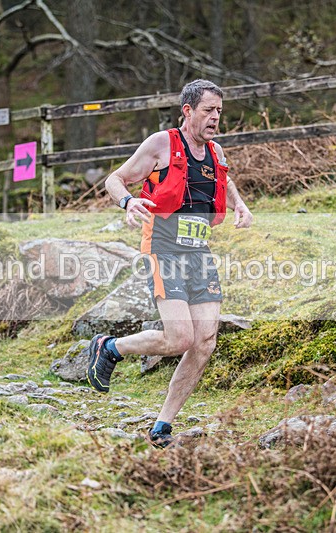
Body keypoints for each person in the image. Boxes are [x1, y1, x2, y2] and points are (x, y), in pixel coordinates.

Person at [87, 79, 253, 448]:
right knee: (180, 338)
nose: (215, 118)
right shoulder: (161, 144)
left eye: (220, 111)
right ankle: (111, 347)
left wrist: (239, 204)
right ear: (188, 111)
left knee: (205, 342)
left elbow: (225, 181)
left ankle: (162, 424)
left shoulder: (216, 151)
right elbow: (115, 179)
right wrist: (128, 202)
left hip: (198, 252)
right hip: (162, 246)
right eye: (209, 110)